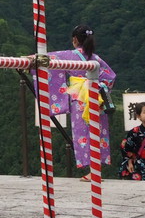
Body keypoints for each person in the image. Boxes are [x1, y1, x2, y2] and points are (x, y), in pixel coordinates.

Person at [49, 24, 116, 180]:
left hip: (79, 99)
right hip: (95, 97)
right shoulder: (96, 58)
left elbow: (46, 60)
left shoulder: (68, 55)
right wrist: (98, 86)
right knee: (97, 132)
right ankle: (96, 170)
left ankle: (93, 171)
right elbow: (110, 77)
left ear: (74, 40)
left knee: (83, 134)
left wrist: (29, 61)